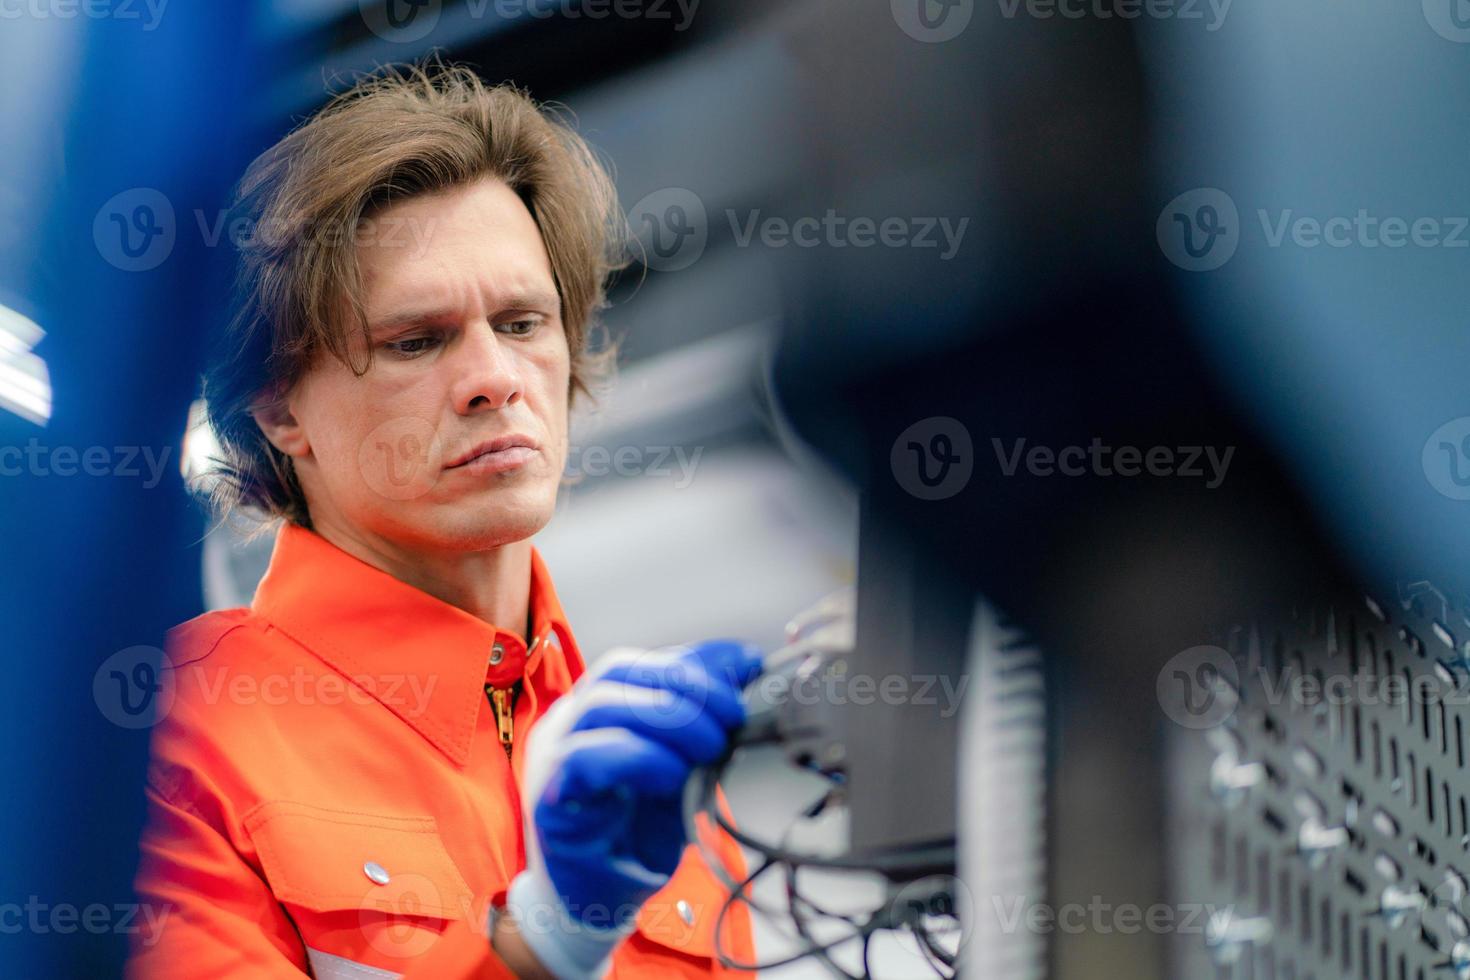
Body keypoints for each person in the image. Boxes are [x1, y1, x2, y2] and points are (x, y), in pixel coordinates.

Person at [127, 61, 758, 979]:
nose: (494, 378)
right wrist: (546, 944)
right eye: (415, 341)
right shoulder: (172, 736)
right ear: (277, 409)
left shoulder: (652, 771)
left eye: (523, 321)